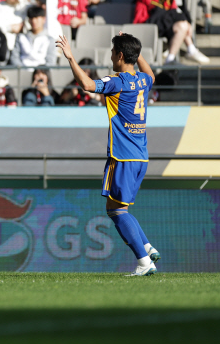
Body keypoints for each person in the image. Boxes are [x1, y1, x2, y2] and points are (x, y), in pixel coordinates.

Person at [57, 32, 161, 276]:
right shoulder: (143, 81)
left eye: (114, 52)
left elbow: (88, 85)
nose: (111, 56)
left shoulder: (118, 82)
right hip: (141, 156)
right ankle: (147, 246)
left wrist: (71, 58)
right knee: (120, 209)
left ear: (120, 55)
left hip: (123, 157)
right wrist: (136, 53)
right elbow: (152, 75)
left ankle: (144, 262)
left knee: (115, 211)